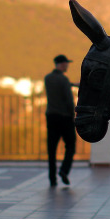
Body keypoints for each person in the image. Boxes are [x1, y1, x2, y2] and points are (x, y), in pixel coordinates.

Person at [44, 53, 76, 187]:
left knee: (52, 149)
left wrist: (72, 84)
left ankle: (52, 178)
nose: (67, 65)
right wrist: (73, 114)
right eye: (66, 63)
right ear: (62, 64)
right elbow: (69, 100)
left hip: (51, 116)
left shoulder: (48, 78)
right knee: (70, 145)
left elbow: (61, 85)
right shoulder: (63, 80)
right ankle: (64, 170)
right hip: (65, 117)